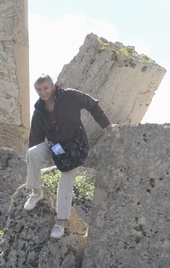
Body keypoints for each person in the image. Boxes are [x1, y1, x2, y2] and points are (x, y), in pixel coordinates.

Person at [24, 74, 113, 238]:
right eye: (39, 90)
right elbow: (36, 136)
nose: (43, 92)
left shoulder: (70, 96)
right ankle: (36, 192)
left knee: (66, 179)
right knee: (32, 153)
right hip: (55, 147)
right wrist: (35, 162)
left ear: (53, 86)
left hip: (75, 147)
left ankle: (61, 222)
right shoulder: (39, 110)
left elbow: (93, 105)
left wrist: (106, 126)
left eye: (45, 88)